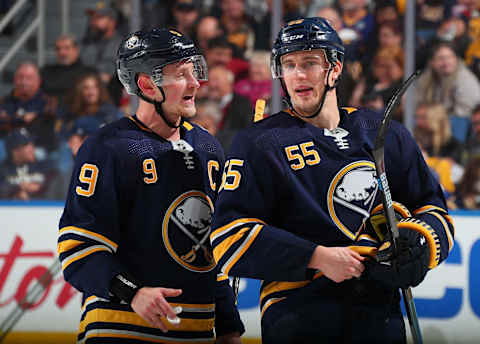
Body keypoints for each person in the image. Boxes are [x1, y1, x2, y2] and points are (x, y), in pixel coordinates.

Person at [210, 17, 455, 344]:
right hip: (298, 312)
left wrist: (417, 244)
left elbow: (435, 211)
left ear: (335, 68)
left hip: (379, 310)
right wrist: (317, 257)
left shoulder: (383, 132)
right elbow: (228, 237)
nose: (298, 74)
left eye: (310, 63)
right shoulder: (259, 142)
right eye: (289, 64)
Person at [58, 28, 244, 343]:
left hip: (197, 332)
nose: (195, 83)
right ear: (146, 84)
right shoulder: (108, 147)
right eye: (181, 74)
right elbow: (79, 249)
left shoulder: (208, 148)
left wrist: (228, 325)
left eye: (194, 71)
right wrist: (132, 293)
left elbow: (210, 250)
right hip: (121, 327)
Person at [41, 34, 97, 103]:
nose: (62, 52)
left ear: (76, 50)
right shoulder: (46, 71)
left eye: (67, 48)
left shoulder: (89, 73)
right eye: (58, 49)